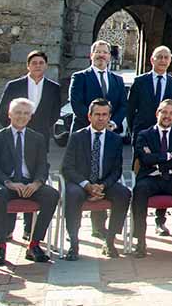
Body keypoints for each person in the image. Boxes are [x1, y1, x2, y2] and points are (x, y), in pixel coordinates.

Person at [0, 98, 60, 266]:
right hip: (5, 184)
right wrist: (8, 182)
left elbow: (42, 165)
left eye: (26, 113)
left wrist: (37, 183)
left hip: (29, 183)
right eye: (18, 113)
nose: (21, 117)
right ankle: (0, 246)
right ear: (9, 114)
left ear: (31, 117)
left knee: (52, 195)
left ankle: (34, 244)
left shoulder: (37, 138)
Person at [0, 50, 61, 240]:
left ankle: (28, 229)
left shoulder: (53, 88)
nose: (37, 66)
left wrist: (37, 132)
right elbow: (2, 112)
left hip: (38, 141)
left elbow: (54, 113)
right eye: (34, 63)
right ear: (28, 65)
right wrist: (14, 131)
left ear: (46, 66)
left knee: (32, 182)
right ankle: (8, 229)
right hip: (14, 140)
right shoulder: (15, 85)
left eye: (41, 63)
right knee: (15, 178)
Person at [61, 98, 131, 259]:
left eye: (104, 115)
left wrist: (102, 186)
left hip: (104, 183)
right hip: (80, 183)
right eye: (97, 114)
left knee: (124, 193)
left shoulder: (115, 139)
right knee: (72, 194)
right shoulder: (77, 137)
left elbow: (116, 170)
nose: (101, 118)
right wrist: (87, 186)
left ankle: (110, 240)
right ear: (89, 116)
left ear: (109, 117)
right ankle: (73, 242)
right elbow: (67, 168)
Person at [127, 45, 172, 235]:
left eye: (166, 57)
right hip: (145, 135)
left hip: (166, 135)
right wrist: (136, 134)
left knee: (165, 172)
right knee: (142, 175)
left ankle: (161, 221)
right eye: (159, 57)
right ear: (152, 60)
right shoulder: (140, 81)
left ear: (170, 60)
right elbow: (130, 109)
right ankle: (137, 224)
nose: (162, 60)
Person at [130, 98, 172, 257]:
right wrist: (168, 156)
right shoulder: (144, 135)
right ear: (157, 113)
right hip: (150, 178)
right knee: (139, 190)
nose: (167, 116)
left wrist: (157, 160)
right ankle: (140, 241)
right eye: (164, 112)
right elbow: (144, 159)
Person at [70, 40, 126, 133]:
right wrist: (97, 124)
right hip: (84, 132)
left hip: (110, 133)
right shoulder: (79, 77)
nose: (101, 55)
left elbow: (123, 105)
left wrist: (113, 123)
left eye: (105, 52)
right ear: (91, 55)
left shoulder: (118, 80)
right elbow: (77, 104)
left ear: (109, 57)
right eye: (98, 52)